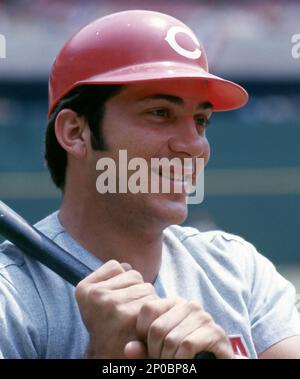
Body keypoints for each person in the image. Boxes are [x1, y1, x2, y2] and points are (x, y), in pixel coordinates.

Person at [0, 10, 299, 359]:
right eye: (160, 113)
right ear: (75, 132)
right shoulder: (12, 298)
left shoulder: (236, 269)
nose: (194, 145)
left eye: (201, 121)